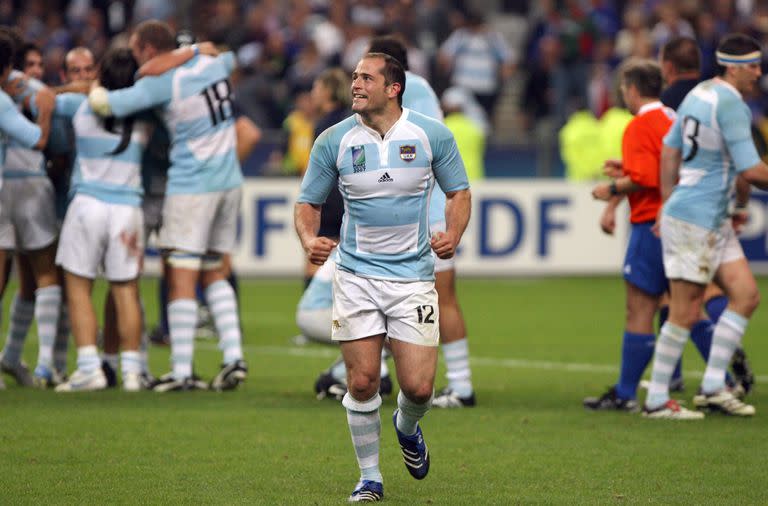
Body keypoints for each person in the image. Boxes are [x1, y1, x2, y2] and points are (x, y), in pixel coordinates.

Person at [295, 52, 471, 502]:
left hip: (413, 277)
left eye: (366, 78)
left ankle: (407, 426)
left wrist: (453, 232)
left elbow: (459, 192)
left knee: (418, 387)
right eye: (354, 77)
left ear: (393, 88)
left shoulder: (431, 135)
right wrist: (308, 239)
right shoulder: (332, 140)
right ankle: (369, 477)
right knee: (361, 381)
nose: (356, 84)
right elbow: (307, 203)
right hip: (354, 275)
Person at [311, 36, 478, 409]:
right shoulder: (423, 92)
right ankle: (456, 383)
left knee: (436, 299)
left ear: (392, 80)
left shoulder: (404, 96)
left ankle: (441, 383)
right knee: (439, 300)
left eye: (366, 75)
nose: (358, 83)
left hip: (420, 213)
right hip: (424, 209)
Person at [88, 20, 247, 392]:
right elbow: (231, 57)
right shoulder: (213, 63)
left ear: (146, 49)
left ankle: (180, 370)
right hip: (230, 180)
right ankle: (233, 358)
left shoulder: (161, 83)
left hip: (192, 184)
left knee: (180, 273)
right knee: (215, 268)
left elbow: (104, 103)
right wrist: (193, 50)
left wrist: (93, 83)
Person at [643, 33, 768, 419]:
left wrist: (666, 203)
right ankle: (656, 399)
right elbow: (751, 170)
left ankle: (713, 386)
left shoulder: (699, 94)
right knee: (685, 309)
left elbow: (670, 150)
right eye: (752, 66)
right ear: (732, 66)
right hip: (698, 217)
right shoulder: (732, 104)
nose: (759, 73)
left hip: (708, 215)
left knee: (746, 295)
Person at [52, 47, 151, 392]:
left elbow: (42, 100)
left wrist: (76, 88)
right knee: (126, 290)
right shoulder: (146, 112)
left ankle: (89, 368)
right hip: (128, 210)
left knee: (79, 287)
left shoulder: (78, 105)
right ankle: (134, 373)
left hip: (88, 203)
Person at [585, 59, 675, 412]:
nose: (623, 94)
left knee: (639, 308)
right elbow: (666, 165)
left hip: (650, 223)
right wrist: (628, 169)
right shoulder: (672, 117)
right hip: (680, 221)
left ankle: (625, 393)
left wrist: (611, 189)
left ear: (634, 89)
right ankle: (720, 383)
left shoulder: (639, 125)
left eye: (624, 89)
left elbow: (648, 178)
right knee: (686, 306)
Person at [0, 32, 55, 388]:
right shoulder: (7, 99)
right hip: (16, 185)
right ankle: (48, 365)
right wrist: (47, 110)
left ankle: (15, 358)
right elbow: (39, 139)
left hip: (16, 187)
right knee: (42, 272)